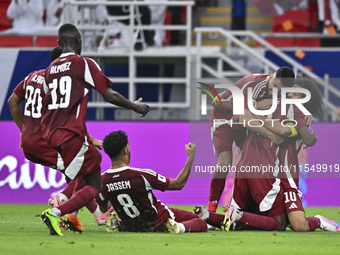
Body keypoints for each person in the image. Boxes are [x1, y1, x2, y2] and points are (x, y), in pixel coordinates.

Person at [40, 23, 149, 236]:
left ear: (59, 44)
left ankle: (72, 209)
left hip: (50, 135)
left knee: (85, 173)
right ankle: (57, 210)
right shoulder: (83, 63)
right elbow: (108, 95)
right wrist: (134, 106)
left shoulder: (49, 70)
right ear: (79, 41)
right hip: (71, 132)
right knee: (94, 182)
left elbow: (46, 104)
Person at [7, 47, 109, 233]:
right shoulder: (54, 82)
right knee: (90, 162)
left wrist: (24, 131)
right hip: (44, 141)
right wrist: (91, 139)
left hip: (30, 142)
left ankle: (83, 216)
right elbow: (63, 121)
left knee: (77, 173)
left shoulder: (31, 76)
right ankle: (61, 201)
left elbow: (12, 102)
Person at [207, 67, 295, 213]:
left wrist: (306, 112)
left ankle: (245, 209)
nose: (276, 93)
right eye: (275, 87)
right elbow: (243, 117)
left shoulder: (281, 90)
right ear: (271, 76)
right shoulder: (254, 85)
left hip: (242, 121)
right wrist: (272, 135)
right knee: (224, 163)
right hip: (223, 120)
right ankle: (210, 212)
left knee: (250, 163)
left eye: (281, 91)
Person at [96, 130, 207, 233]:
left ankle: (118, 224)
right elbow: (178, 184)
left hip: (132, 226)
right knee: (200, 222)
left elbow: (103, 207)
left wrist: (116, 192)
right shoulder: (141, 175)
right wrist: (190, 157)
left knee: (131, 220)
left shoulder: (100, 181)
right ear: (125, 151)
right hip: (159, 222)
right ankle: (177, 227)